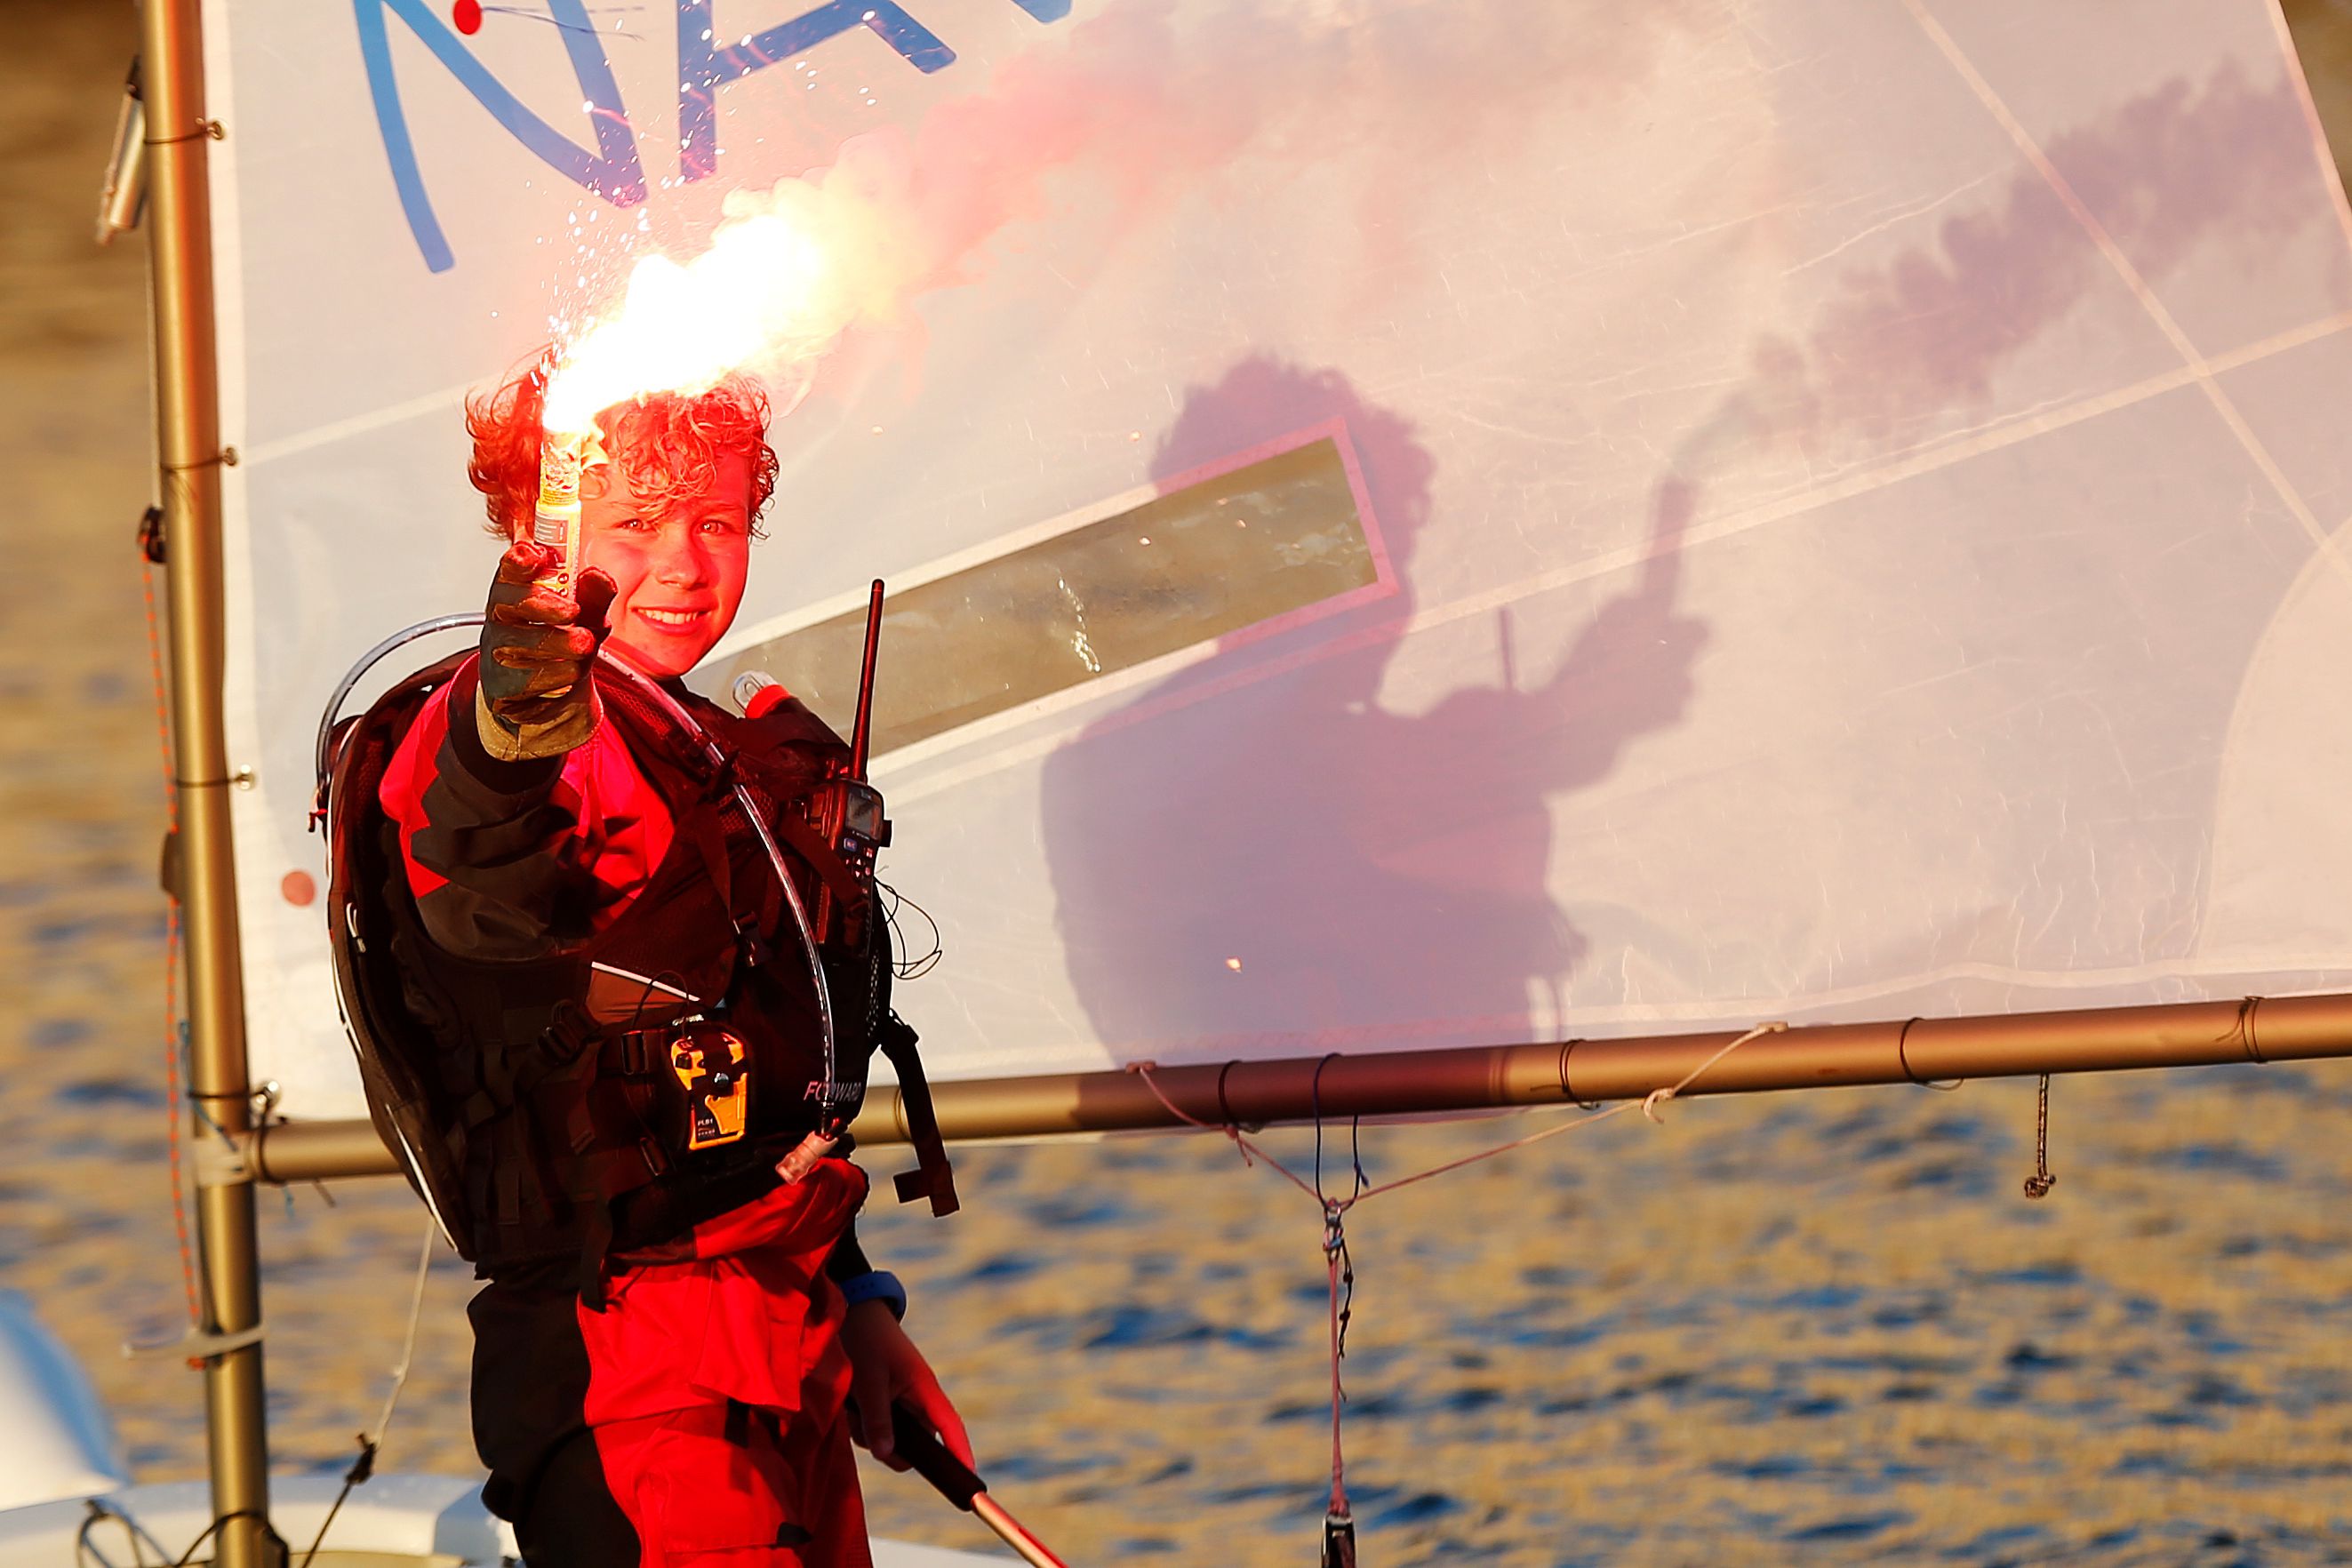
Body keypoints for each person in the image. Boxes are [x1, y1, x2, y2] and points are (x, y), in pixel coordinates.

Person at [345, 355, 967, 1568]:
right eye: (633, 523)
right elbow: (476, 864)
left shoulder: (708, 747)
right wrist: (515, 705)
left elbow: (746, 1071)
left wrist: (858, 1308)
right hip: (620, 1376)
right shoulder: (506, 733)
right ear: (538, 533)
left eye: (718, 520)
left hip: (784, 1342)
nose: (684, 563)